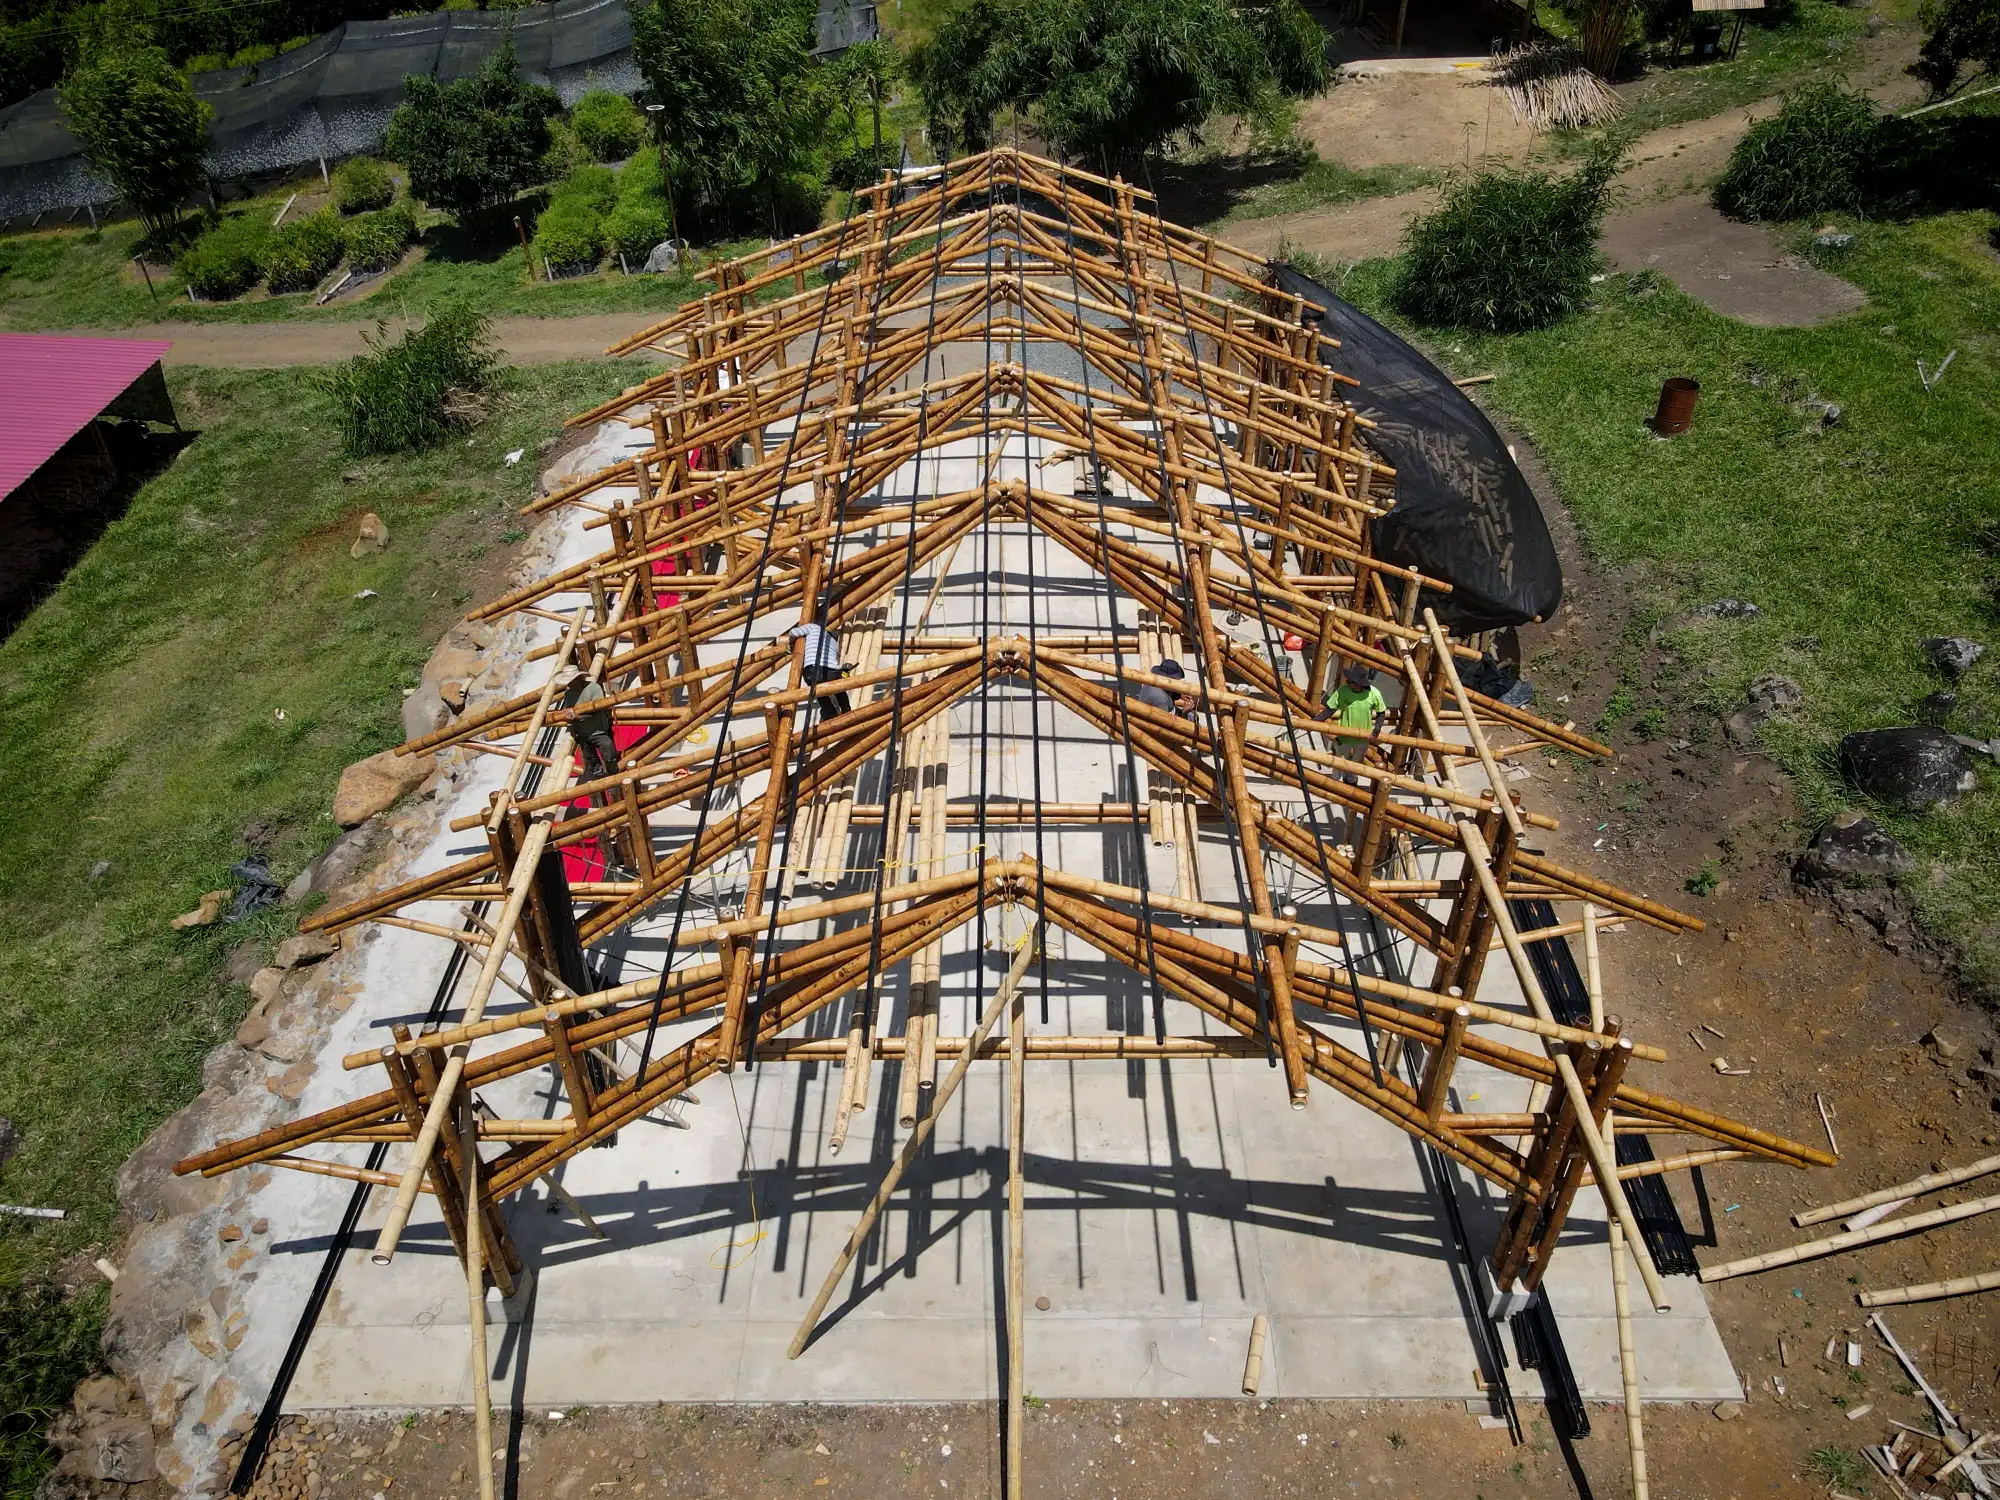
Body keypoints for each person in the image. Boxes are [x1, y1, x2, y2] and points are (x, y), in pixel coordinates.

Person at [790, 620, 852, 719]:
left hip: (811, 669)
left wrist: (791, 646)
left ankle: (830, 713)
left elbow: (793, 632)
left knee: (820, 693)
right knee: (839, 690)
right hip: (831, 670)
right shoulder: (833, 642)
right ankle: (846, 710)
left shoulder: (812, 627)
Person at [1323, 661, 1388, 745]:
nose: (1347, 682)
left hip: (1363, 737)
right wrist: (1314, 721)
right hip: (1344, 736)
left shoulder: (1374, 693)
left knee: (1357, 757)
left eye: (1350, 681)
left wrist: (1377, 729)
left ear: (1358, 684)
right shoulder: (1342, 691)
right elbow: (1329, 710)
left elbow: (1381, 713)